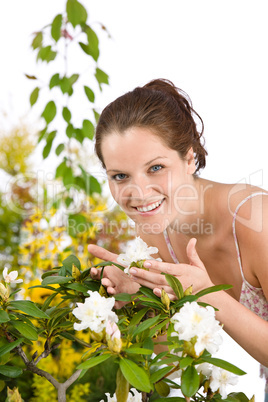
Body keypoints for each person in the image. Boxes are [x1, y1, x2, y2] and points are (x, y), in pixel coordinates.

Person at [88, 79, 268, 398]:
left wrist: (206, 294)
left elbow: (204, 296)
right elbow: (168, 357)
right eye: (120, 176)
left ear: (188, 158)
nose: (139, 194)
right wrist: (142, 297)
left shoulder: (257, 219)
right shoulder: (156, 224)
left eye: (156, 167)